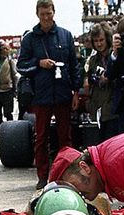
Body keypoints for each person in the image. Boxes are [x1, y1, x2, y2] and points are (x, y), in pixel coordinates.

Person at [17, 0, 82, 190]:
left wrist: (76, 92)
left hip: (63, 94)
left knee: (66, 138)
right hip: (41, 96)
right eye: (42, 14)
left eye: (49, 13)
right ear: (37, 14)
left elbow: (74, 66)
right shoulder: (29, 39)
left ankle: (67, 174)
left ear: (54, 12)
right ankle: (42, 176)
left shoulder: (65, 36)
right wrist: (39, 63)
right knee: (41, 138)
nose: (46, 18)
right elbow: (21, 66)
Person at [85, 24, 119, 140]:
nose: (99, 44)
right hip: (99, 109)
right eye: (96, 41)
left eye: (101, 40)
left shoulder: (115, 56)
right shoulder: (93, 60)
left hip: (114, 108)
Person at [0, 42, 18, 129]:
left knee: (8, 113)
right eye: (3, 48)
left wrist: (15, 89)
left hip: (7, 90)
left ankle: (10, 131)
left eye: (7, 49)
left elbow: (15, 75)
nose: (5, 50)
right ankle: (0, 132)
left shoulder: (10, 62)